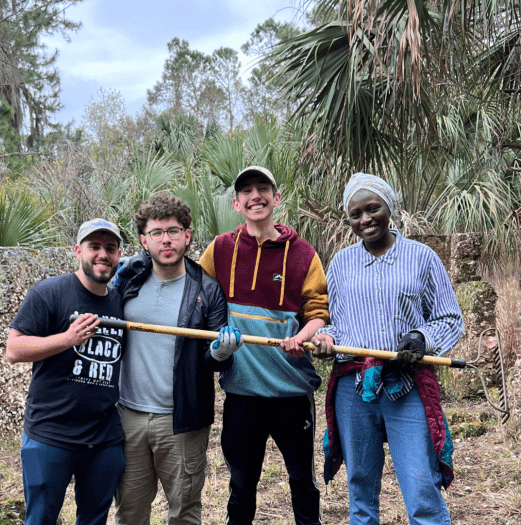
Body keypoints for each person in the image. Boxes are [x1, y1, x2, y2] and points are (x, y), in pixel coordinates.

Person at [310, 172, 464, 525]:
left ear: (389, 207)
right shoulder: (341, 264)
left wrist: (421, 338)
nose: (365, 219)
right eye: (355, 214)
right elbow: (337, 323)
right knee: (360, 486)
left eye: (372, 208)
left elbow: (449, 318)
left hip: (405, 385)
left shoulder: (421, 258)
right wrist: (328, 340)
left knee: (421, 486)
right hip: (354, 387)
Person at [198, 166, 329, 525]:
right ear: (237, 203)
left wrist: (305, 334)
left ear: (276, 198)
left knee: (302, 483)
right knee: (241, 486)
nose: (255, 196)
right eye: (247, 191)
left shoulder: (303, 253)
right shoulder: (221, 249)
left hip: (291, 390)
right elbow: (196, 294)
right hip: (242, 392)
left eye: (262, 189)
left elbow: (318, 311)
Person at [113, 194, 242, 525]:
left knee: (183, 510)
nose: (165, 239)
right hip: (129, 416)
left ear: (187, 235)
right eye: (156, 232)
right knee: (128, 510)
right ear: (144, 240)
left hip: (182, 420)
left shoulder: (208, 289)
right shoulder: (128, 279)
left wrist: (220, 351)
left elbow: (213, 360)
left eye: (173, 230)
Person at [6, 218, 127, 525]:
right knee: (38, 517)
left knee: (95, 519)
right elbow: (13, 350)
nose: (102, 254)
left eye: (110, 248)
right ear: (78, 251)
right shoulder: (48, 293)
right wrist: (67, 339)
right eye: (94, 247)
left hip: (103, 439)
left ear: (119, 255)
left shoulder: (121, 303)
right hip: (43, 437)